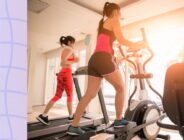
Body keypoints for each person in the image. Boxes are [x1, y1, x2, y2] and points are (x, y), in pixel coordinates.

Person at [67, 2, 147, 135]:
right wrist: (139, 43)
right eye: (120, 12)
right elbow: (122, 40)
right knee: (120, 88)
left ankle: (73, 126)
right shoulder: (114, 20)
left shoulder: (103, 23)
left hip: (94, 60)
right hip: (103, 59)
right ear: (115, 12)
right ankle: (118, 119)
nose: (120, 15)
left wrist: (118, 53)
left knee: (89, 94)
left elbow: (108, 44)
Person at [37, 36, 79, 125]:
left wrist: (74, 60)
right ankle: (71, 116)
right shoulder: (69, 50)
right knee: (69, 95)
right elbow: (62, 63)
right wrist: (75, 61)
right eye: (73, 42)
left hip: (62, 73)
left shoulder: (65, 50)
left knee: (57, 95)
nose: (74, 44)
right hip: (66, 73)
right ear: (69, 42)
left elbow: (65, 61)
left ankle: (43, 115)